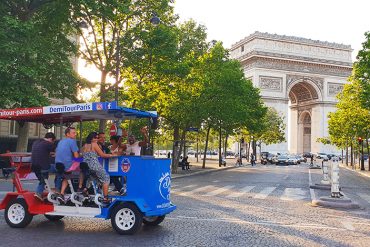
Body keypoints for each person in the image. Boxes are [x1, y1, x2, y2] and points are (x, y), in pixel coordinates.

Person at [81, 132, 114, 203]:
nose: (97, 139)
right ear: (92, 138)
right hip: (94, 166)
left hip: (87, 166)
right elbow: (102, 155)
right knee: (106, 178)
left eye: (97, 138)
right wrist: (112, 155)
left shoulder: (85, 145)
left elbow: (80, 154)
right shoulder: (94, 144)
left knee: (93, 178)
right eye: (95, 137)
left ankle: (85, 190)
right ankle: (105, 198)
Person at [55, 127, 79, 202]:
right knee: (81, 169)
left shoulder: (60, 141)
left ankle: (59, 191)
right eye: (73, 133)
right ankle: (81, 188)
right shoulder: (72, 141)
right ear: (67, 134)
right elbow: (76, 156)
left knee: (61, 175)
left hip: (57, 164)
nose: (75, 134)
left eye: (75, 133)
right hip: (67, 166)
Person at [31, 132, 56, 200]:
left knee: (43, 178)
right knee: (59, 169)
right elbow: (57, 151)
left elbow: (42, 151)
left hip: (34, 167)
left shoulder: (36, 142)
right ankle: (58, 189)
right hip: (43, 166)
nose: (52, 143)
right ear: (51, 139)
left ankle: (38, 193)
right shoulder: (48, 144)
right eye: (53, 142)